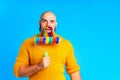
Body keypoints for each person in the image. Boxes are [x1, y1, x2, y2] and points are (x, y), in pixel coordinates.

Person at [14, 11, 81, 80]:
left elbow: (74, 71)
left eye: (52, 21)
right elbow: (18, 72)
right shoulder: (28, 43)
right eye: (44, 21)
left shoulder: (65, 44)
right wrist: (38, 66)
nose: (48, 24)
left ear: (55, 24)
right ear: (39, 23)